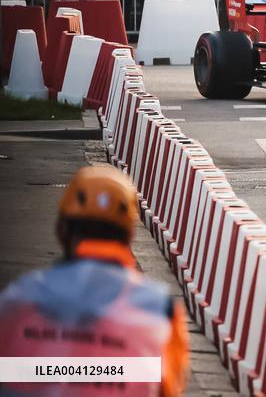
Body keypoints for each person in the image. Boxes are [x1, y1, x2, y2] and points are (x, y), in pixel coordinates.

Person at [0, 165, 189, 396]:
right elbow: (169, 387)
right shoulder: (159, 310)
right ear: (130, 234)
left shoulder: (17, 300)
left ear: (61, 231)